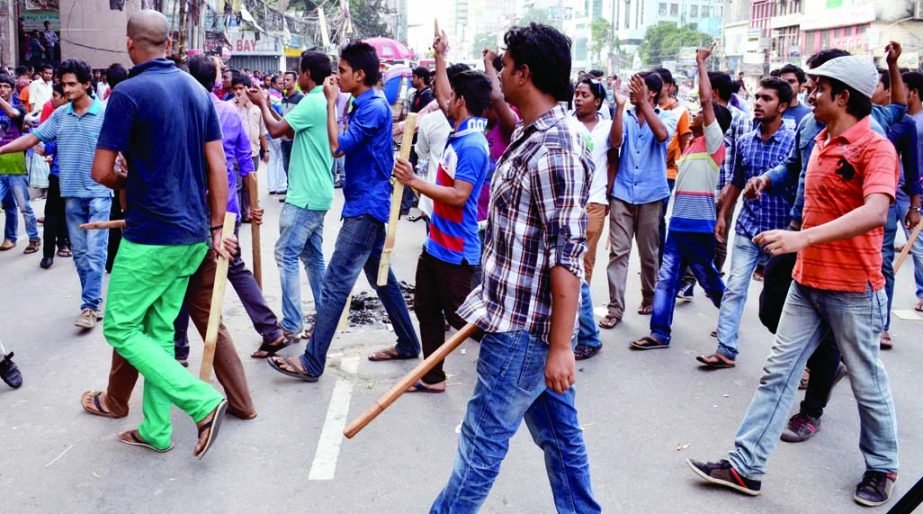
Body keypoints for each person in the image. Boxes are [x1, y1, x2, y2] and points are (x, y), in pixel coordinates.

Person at [688, 54, 901, 508]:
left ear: (843, 97)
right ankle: (745, 467)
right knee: (777, 375)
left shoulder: (875, 145)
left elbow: (877, 211)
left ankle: (882, 465)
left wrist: (800, 236)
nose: (810, 93)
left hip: (853, 286)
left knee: (867, 380)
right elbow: (797, 178)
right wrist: (767, 180)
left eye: (819, 88)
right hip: (808, 281)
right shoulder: (819, 139)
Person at [429, 23, 600, 512]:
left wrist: (563, 347)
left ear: (524, 73)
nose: (497, 72)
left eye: (503, 64)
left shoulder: (557, 148)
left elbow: (567, 255)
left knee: (479, 447)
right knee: (563, 444)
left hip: (525, 334)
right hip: (513, 316)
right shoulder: (530, 133)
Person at [89, 10, 229, 457]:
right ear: (168, 43)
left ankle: (201, 402)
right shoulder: (196, 89)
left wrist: (124, 181)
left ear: (131, 44)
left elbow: (100, 172)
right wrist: (217, 227)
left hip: (151, 237)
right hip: (193, 235)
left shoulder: (126, 94)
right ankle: (155, 431)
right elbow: (217, 166)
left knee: (119, 329)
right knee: (158, 331)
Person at [267, 42, 420, 381]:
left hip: (367, 206)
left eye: (344, 70)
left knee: (335, 282)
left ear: (360, 75)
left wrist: (331, 102)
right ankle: (408, 342)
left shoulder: (373, 107)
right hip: (365, 201)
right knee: (382, 278)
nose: (337, 76)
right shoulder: (366, 102)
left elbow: (337, 148)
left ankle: (312, 362)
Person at [391, 35, 491, 393]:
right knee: (425, 308)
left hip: (456, 251)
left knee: (464, 319)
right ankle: (433, 376)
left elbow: (459, 196)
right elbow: (447, 92)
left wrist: (414, 180)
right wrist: (440, 57)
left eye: (451, 98)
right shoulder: (460, 131)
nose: (444, 101)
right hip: (437, 244)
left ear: (462, 102)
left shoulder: (473, 145)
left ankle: (513, 357)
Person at [172, 55, 286, 361]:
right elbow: (245, 162)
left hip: (196, 207)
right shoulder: (228, 112)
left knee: (184, 273)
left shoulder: (186, 113)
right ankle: (270, 329)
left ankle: (179, 349)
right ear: (216, 81)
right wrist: (252, 203)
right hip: (228, 207)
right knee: (231, 266)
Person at [631, 45, 731, 351]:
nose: (699, 113)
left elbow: (705, 99)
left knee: (709, 280)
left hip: (699, 225)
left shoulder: (715, 144)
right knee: (667, 279)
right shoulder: (690, 147)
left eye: (703, 113)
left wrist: (701, 63)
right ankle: (659, 332)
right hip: (678, 224)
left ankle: (730, 318)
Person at [0, 59, 112, 329]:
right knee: (80, 254)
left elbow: (125, 149)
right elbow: (32, 138)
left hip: (98, 193)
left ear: (87, 84)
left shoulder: (105, 114)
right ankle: (93, 301)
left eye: (73, 84)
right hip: (70, 194)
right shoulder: (61, 116)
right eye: (64, 84)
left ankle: (89, 305)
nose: (68, 89)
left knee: (95, 252)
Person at [692, 77, 795, 363]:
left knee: (785, 301)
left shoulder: (793, 142)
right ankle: (725, 349)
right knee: (735, 288)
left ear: (783, 106)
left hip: (782, 233)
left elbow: (799, 186)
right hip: (748, 228)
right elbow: (736, 181)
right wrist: (723, 216)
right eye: (757, 97)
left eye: (767, 99)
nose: (759, 103)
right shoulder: (745, 141)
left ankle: (807, 362)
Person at [248, 51, 333, 352]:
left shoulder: (312, 101)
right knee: (311, 257)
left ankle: (292, 324)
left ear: (307, 74)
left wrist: (261, 103)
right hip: (317, 192)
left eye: (299, 71)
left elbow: (275, 130)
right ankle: (324, 318)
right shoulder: (324, 101)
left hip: (306, 196)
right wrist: (267, 103)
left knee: (286, 254)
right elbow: (284, 125)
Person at [599, 70, 678, 329]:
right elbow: (615, 141)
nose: (631, 91)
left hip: (651, 195)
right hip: (622, 193)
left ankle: (649, 296)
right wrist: (620, 108)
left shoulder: (666, 116)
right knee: (618, 253)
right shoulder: (626, 114)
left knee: (648, 254)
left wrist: (643, 102)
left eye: (637, 87)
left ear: (651, 92)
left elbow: (662, 136)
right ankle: (615, 308)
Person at [873, 64, 921, 350]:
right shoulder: (855, 117)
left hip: (887, 203)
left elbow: (912, 168)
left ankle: (882, 326)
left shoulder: (904, 124)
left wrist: (915, 205)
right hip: (851, 204)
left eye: (877, 85)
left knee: (883, 264)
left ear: (889, 90)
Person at [571, 77, 618, 360]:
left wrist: (608, 193)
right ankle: (578, 327)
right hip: (571, 202)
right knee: (575, 270)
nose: (578, 99)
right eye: (576, 94)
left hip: (594, 203)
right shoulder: (567, 122)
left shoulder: (608, 126)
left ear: (597, 101)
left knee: (580, 269)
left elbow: (615, 155)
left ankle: (584, 332)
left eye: (584, 94)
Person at [0, 73, 41, 254]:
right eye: (0, 87)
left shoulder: (19, 109)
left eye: (6, 87)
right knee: (7, 205)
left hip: (16, 166)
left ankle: (33, 237)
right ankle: (10, 237)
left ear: (12, 89)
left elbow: (12, 113)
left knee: (24, 205)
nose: (2, 90)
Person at [37, 82, 71, 269]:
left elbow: (48, 145)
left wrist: (44, 149)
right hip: (63, 174)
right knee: (61, 212)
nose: (52, 99)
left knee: (54, 213)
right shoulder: (60, 116)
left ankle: (50, 253)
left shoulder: (61, 117)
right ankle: (61, 245)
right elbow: (49, 145)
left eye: (55, 95)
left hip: (62, 174)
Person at [901, 70, 923, 313]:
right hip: (900, 191)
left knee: (918, 247)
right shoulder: (906, 122)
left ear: (913, 93)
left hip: (915, 193)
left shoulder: (919, 124)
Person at [279, 71, 304, 182]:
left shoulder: (300, 98)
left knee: (295, 167)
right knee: (286, 166)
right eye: (284, 79)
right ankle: (290, 190)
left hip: (294, 138)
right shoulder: (284, 98)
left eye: (288, 79)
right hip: (284, 138)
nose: (285, 82)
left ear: (295, 82)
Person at [266, 74, 287, 194]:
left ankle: (272, 186)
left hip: (268, 131)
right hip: (277, 131)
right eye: (280, 83)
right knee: (280, 160)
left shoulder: (267, 94)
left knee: (272, 160)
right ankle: (281, 186)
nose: (282, 85)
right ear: (273, 84)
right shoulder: (277, 97)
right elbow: (281, 115)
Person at [778, 64, 812, 129]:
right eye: (782, 82)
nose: (786, 85)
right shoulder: (770, 111)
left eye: (791, 81)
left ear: (801, 85)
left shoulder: (809, 114)